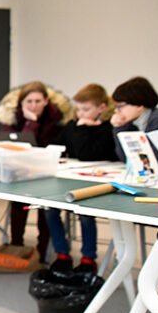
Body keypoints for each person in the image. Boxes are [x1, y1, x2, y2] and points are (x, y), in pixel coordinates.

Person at [46, 84, 118, 273]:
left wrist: (83, 129)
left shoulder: (107, 128)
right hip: (70, 177)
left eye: (86, 109)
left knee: (85, 214)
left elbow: (88, 153)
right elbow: (55, 145)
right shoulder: (73, 125)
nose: (80, 113)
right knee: (49, 210)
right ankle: (62, 253)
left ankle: (88, 257)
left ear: (101, 108)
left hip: (96, 182)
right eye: (78, 109)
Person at [0, 81, 68, 260]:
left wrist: (33, 123)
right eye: (29, 101)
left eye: (38, 101)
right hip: (21, 172)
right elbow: (18, 146)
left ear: (46, 101)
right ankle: (16, 246)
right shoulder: (12, 119)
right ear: (21, 103)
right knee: (19, 202)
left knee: (45, 205)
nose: (34, 105)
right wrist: (30, 123)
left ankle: (42, 251)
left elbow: (52, 146)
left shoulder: (57, 120)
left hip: (49, 173)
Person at [110, 76, 158, 163]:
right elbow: (127, 159)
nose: (116, 110)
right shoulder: (131, 123)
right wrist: (119, 127)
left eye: (120, 106)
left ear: (139, 105)